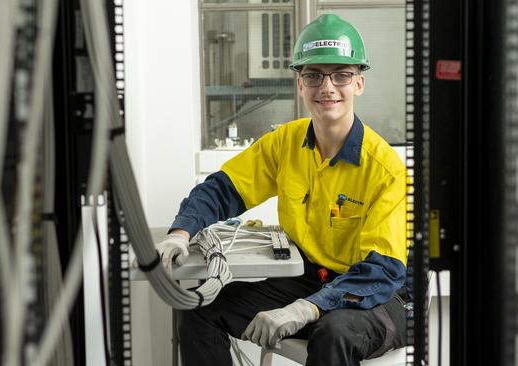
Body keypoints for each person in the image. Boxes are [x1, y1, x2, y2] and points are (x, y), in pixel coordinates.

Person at [159, 14, 408, 366]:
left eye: (341, 75)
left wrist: (307, 308)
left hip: (379, 295)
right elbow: (222, 189)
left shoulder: (385, 169)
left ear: (359, 84)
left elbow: (382, 270)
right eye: (313, 75)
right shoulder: (285, 144)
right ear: (300, 84)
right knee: (198, 309)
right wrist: (180, 234)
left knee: (333, 334)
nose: (327, 87)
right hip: (312, 277)